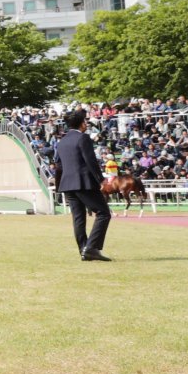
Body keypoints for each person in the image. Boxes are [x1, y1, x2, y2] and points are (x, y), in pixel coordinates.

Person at [54, 108, 111, 261]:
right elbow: (90, 160)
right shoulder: (83, 138)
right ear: (82, 123)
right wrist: (100, 178)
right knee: (104, 213)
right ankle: (91, 248)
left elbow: (58, 166)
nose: (86, 124)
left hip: (67, 185)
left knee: (78, 218)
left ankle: (83, 250)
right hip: (83, 182)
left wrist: (59, 186)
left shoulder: (62, 141)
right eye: (85, 121)